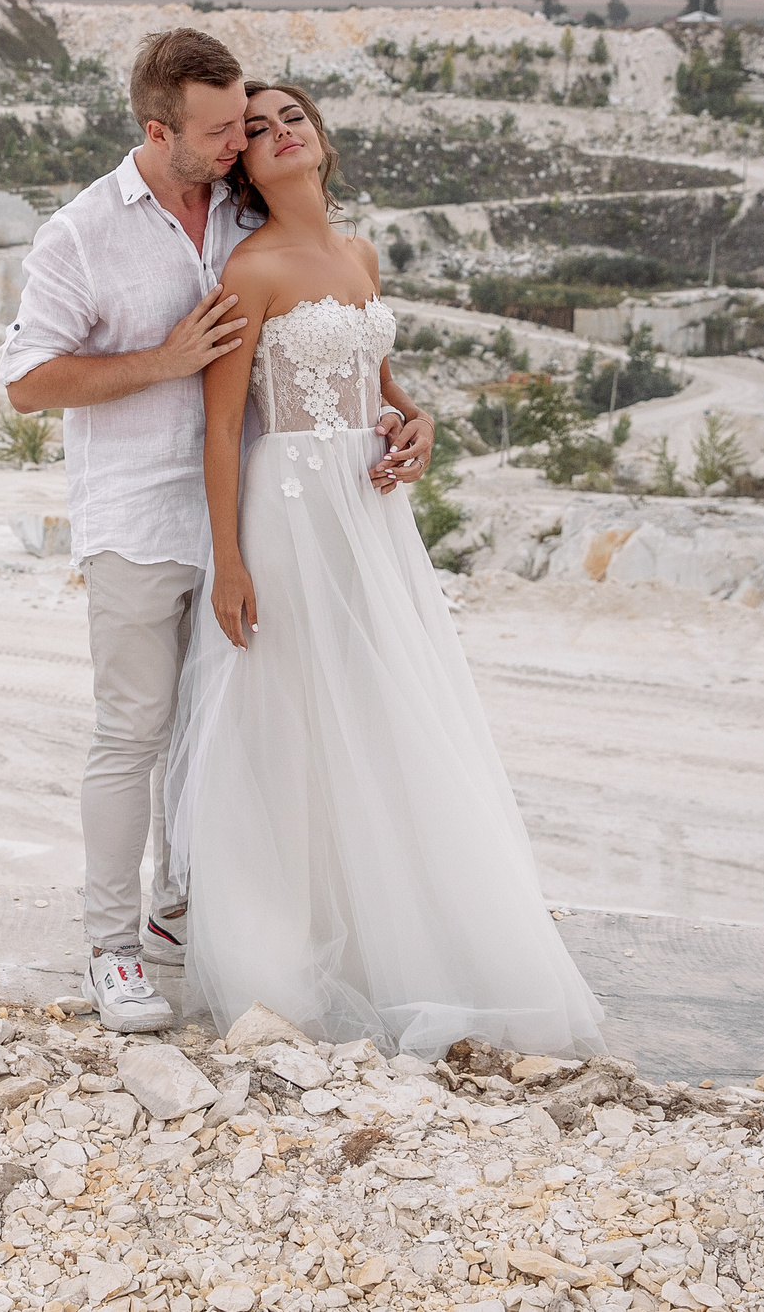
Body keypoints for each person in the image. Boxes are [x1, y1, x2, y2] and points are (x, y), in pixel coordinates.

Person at [0, 32, 434, 1033]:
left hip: (257, 516)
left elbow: (336, 357)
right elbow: (26, 383)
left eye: (250, 120)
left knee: (220, 740)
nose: (242, 140)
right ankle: (111, 952)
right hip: (142, 516)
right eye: (221, 130)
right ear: (160, 132)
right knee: (135, 732)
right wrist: (162, 360)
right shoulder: (80, 235)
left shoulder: (246, 207)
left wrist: (411, 413)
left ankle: (177, 926)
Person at [162, 79, 605, 1056]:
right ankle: (281, 949)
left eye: (293, 119)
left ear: (319, 140)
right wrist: (228, 563)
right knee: (289, 717)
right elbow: (224, 429)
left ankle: (389, 931)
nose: (279, 134)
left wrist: (419, 420)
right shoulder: (250, 270)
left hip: (368, 515)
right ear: (240, 160)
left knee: (378, 706)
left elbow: (380, 385)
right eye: (259, 128)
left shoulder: (357, 255)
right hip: (289, 509)